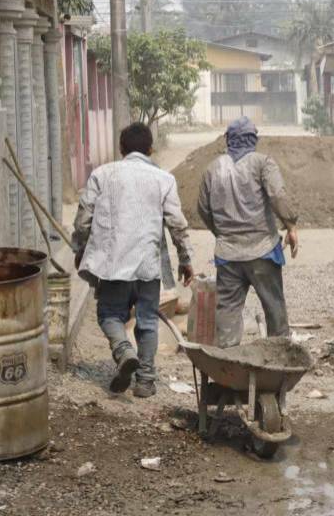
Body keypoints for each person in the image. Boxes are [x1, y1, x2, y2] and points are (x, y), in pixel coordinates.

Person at [72, 123, 194, 398]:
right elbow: (177, 224)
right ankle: (146, 382)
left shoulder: (102, 175)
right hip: (148, 267)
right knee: (148, 321)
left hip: (112, 265)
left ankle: (123, 350)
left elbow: (83, 220)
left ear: (121, 149)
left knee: (109, 314)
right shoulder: (164, 179)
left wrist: (80, 249)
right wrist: (186, 260)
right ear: (150, 149)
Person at [197, 116, 299, 348]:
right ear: (254, 139)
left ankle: (228, 363)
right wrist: (291, 226)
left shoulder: (213, 169)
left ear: (228, 140)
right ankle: (278, 356)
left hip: (228, 255)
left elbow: (203, 209)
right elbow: (278, 196)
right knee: (274, 308)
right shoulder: (263, 163)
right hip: (263, 251)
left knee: (228, 313)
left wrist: (222, 233)